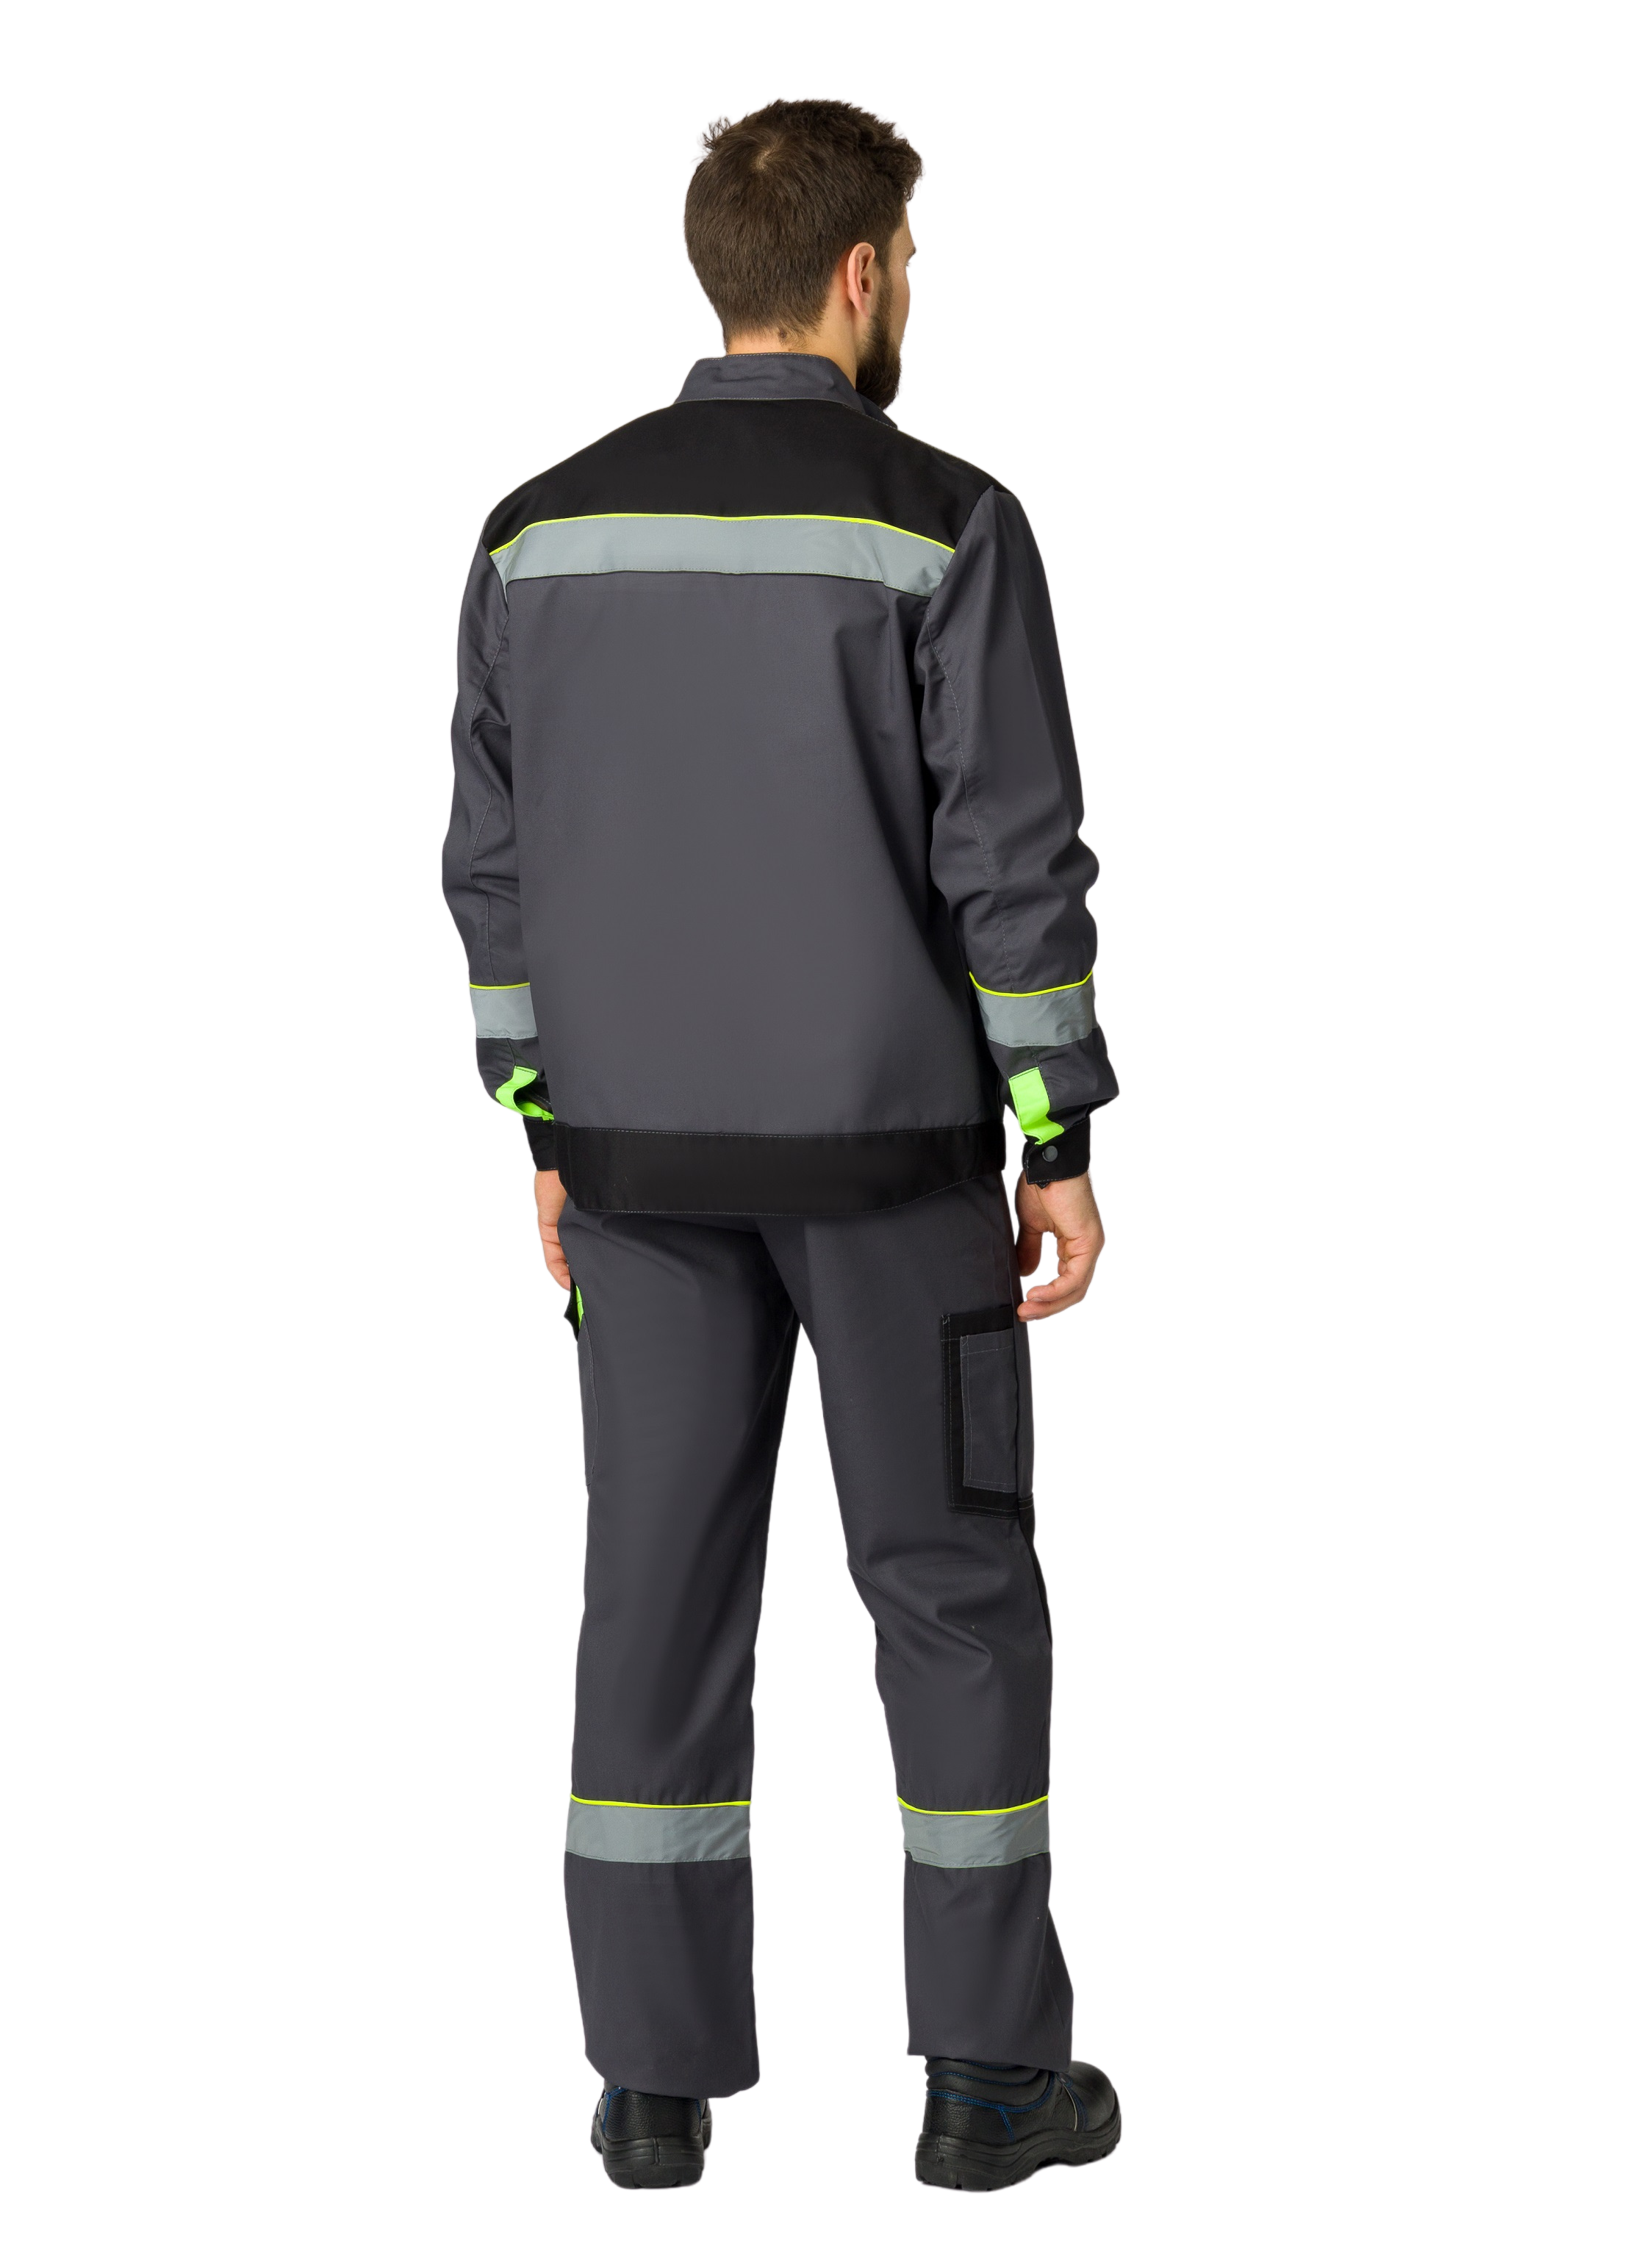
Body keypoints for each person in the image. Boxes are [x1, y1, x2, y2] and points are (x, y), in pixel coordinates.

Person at [441, 96, 1122, 2195]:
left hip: (636, 1165)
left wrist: (544, 1122)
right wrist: (1060, 1133)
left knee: (649, 1595)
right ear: (857, 271)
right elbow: (1015, 862)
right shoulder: (945, 520)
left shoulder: (535, 532)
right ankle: (988, 2082)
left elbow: (491, 866)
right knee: (949, 1589)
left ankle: (651, 2091)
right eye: (911, 261)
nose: (912, 289)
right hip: (896, 1164)